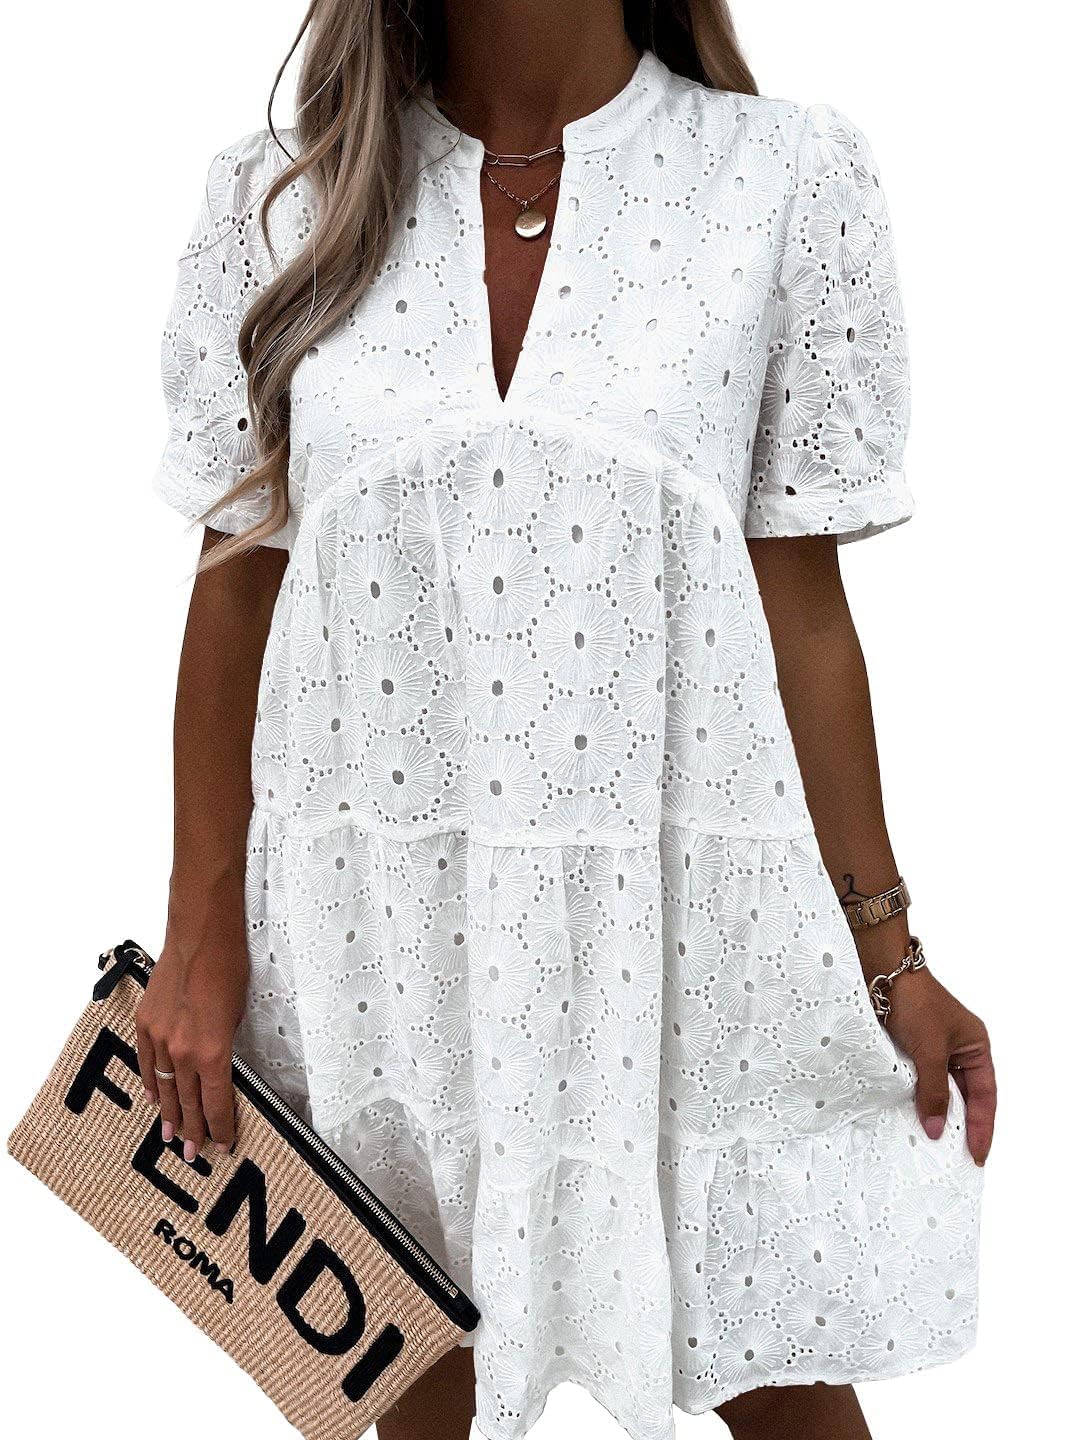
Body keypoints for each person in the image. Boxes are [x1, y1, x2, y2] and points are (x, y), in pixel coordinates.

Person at [137, 3, 996, 1437]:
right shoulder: (278, 201)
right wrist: (195, 938)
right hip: (379, 945)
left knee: (783, 1378)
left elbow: (801, 618)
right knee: (400, 1384)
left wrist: (890, 954)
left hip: (681, 931)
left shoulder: (779, 178)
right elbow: (235, 593)